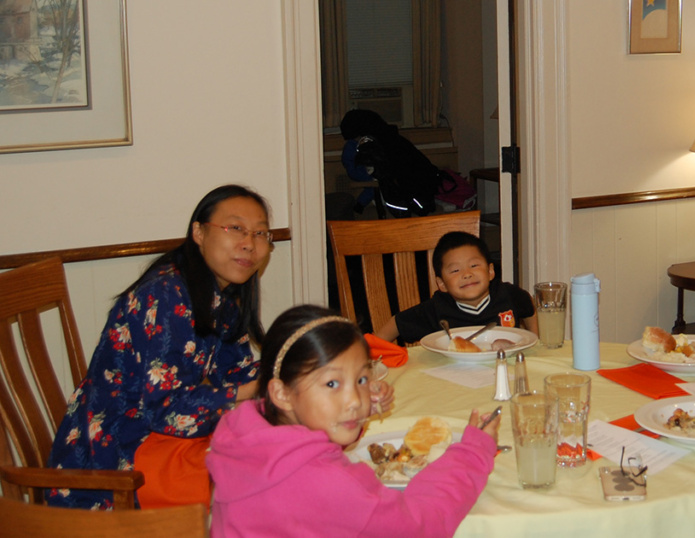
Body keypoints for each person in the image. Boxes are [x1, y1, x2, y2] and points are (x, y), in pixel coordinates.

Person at [45, 185, 393, 510]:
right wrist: (273, 389)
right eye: (236, 229)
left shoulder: (222, 293)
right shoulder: (164, 295)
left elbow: (237, 371)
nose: (250, 244)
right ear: (199, 232)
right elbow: (166, 411)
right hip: (120, 459)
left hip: (169, 439)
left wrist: (327, 386)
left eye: (260, 234)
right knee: (278, 481)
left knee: (295, 453)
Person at [207, 305, 500, 537]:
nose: (355, 400)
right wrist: (472, 452)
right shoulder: (331, 483)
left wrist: (347, 417)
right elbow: (420, 525)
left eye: (361, 378)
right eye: (332, 384)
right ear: (282, 394)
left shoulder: (245, 439)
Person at [375, 231, 538, 344]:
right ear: (442, 284)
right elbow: (396, 324)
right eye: (455, 270)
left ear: (490, 271)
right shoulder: (436, 308)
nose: (466, 274)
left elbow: (528, 305)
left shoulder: (507, 294)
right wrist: (370, 355)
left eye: (474, 265)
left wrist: (534, 339)